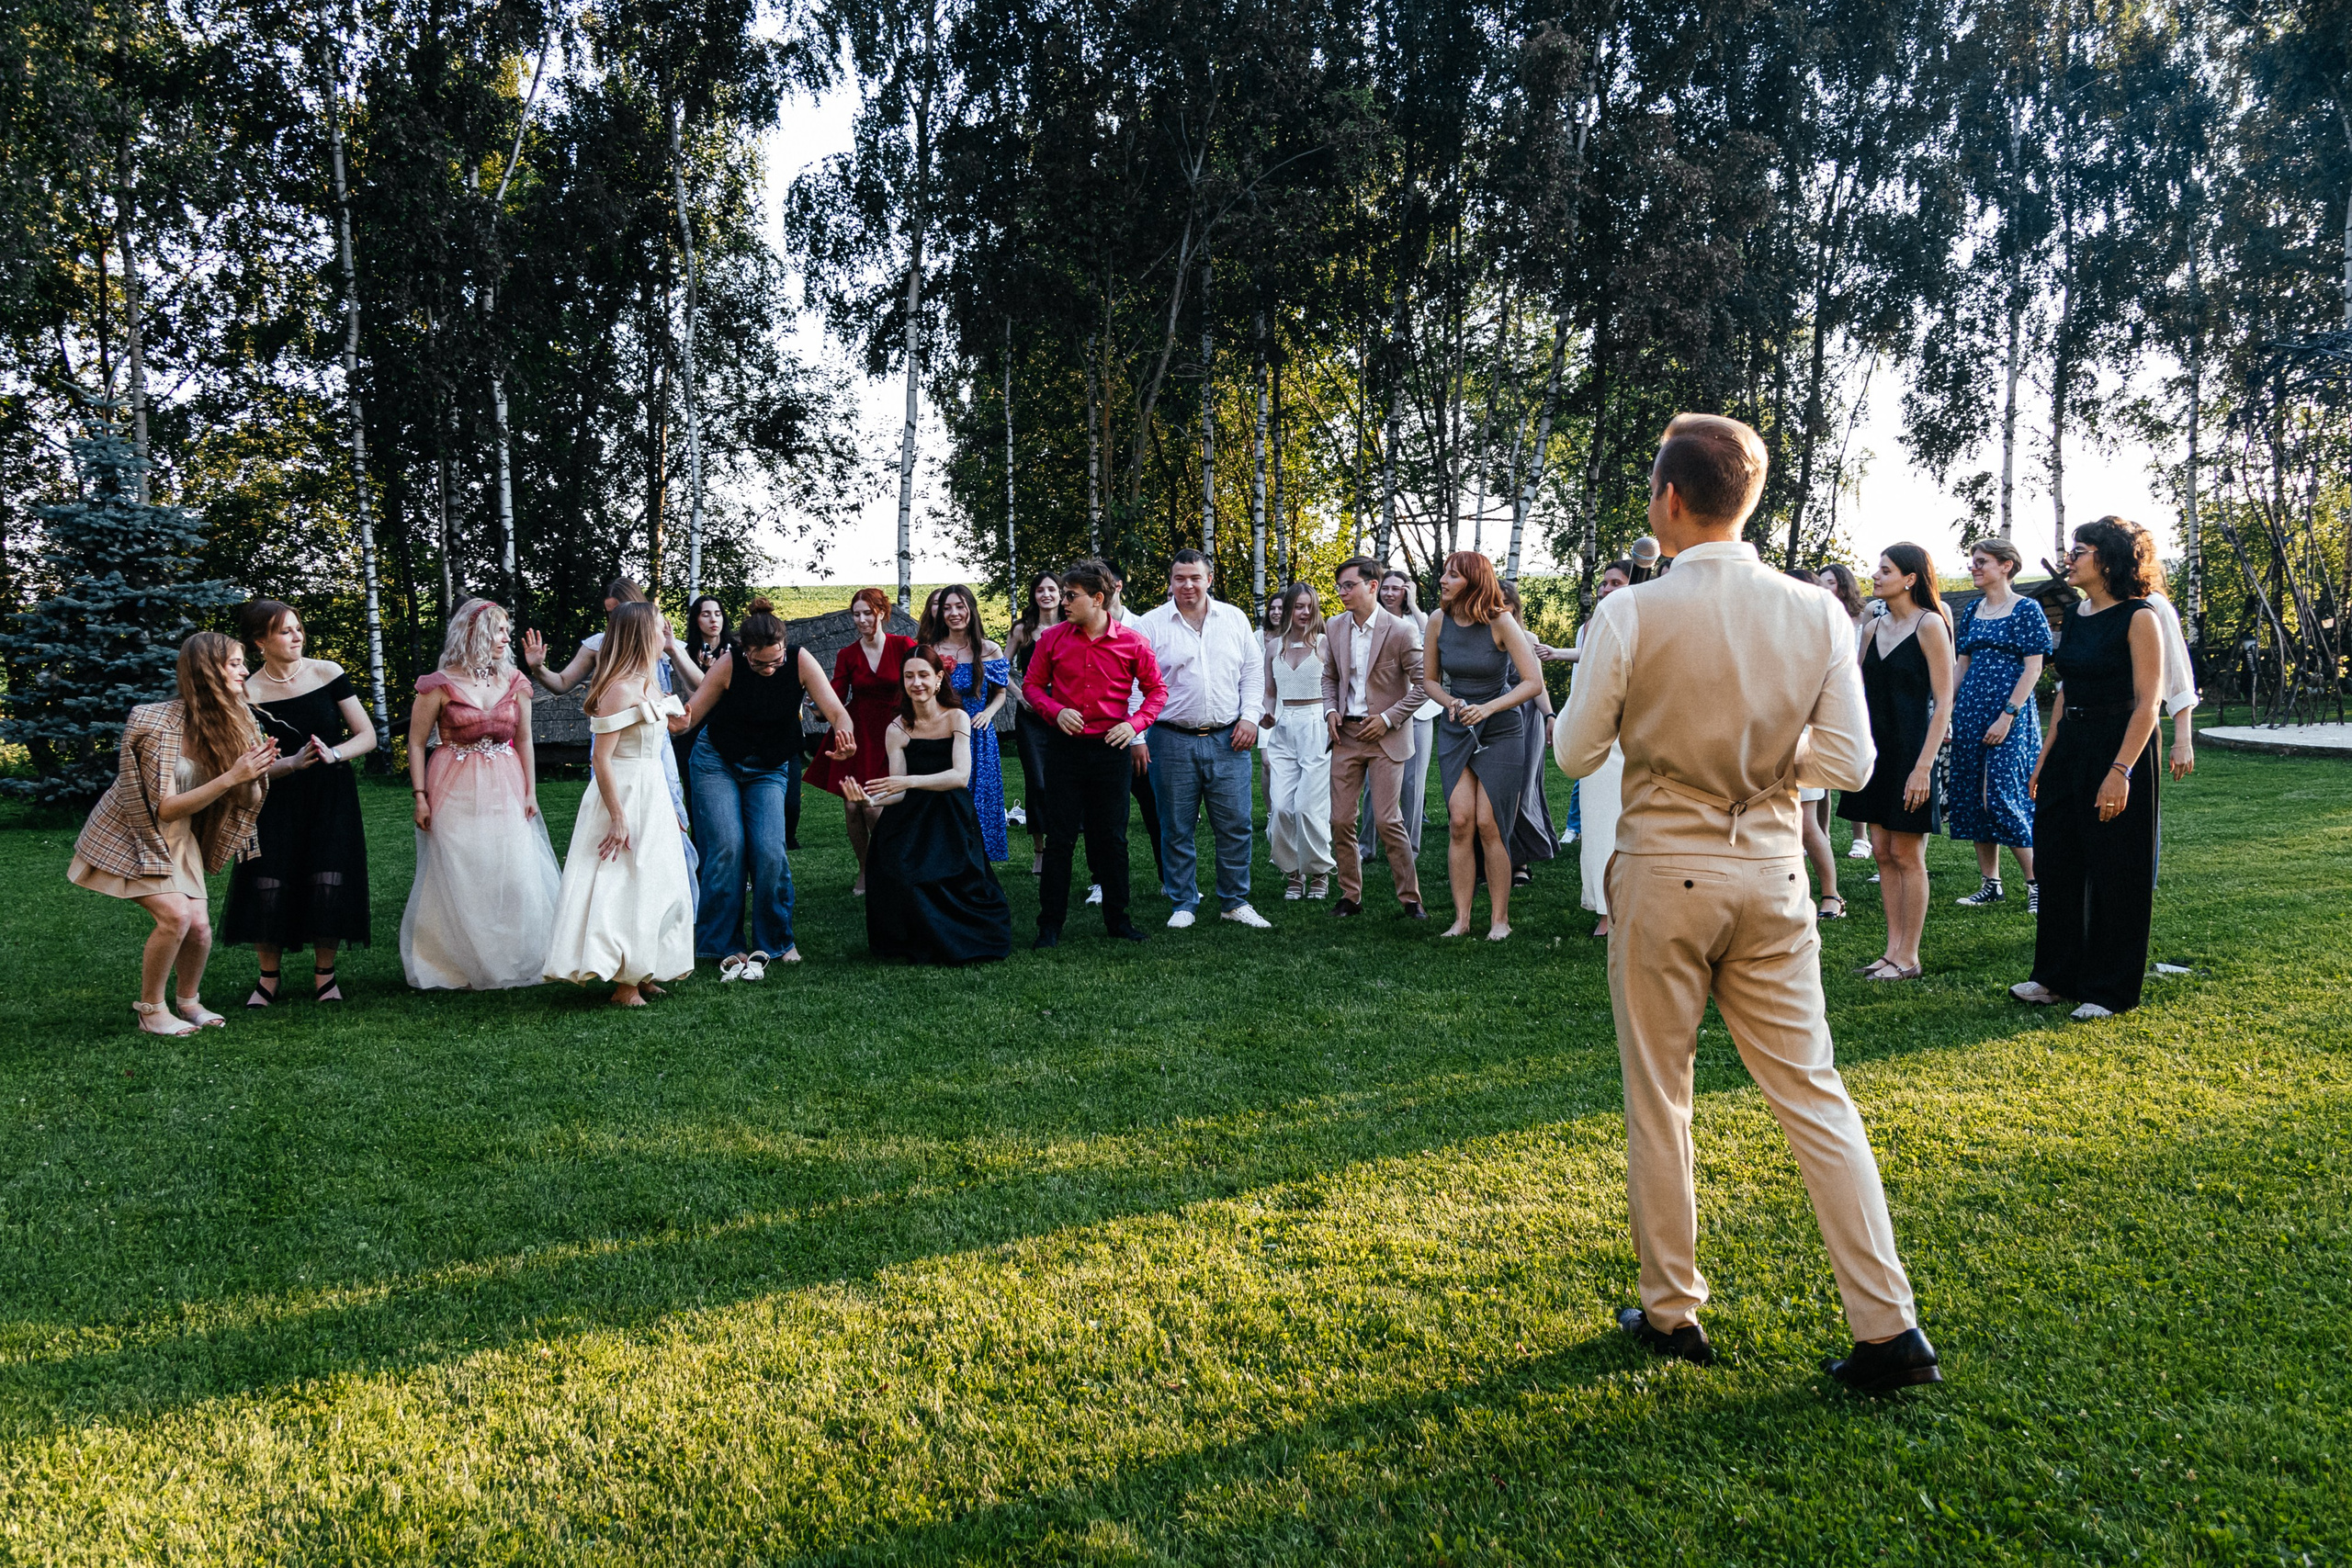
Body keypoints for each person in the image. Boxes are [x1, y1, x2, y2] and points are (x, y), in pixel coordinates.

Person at [1557, 412, 1934, 1394]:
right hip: (1772, 871)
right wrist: (1767, 765)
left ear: (1670, 499)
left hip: (1664, 869)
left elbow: (1574, 752)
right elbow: (1851, 761)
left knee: (1661, 1096)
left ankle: (1672, 1307)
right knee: (1814, 1093)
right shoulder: (1817, 612)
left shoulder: (1631, 612)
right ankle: (1888, 1325)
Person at [70, 632, 276, 1035]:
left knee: (199, 926)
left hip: (182, 838)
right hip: (134, 832)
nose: (245, 671)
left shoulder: (238, 721)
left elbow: (246, 799)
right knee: (175, 916)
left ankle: (189, 1002)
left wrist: (252, 775)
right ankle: (151, 1011)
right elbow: (163, 808)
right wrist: (231, 776)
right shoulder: (154, 722)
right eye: (235, 663)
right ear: (207, 669)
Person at [2012, 517, 2166, 1020]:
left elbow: (2148, 703)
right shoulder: (2076, 615)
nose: (2069, 559)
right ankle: (2054, 978)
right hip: (2070, 744)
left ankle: (2109, 990)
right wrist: (2045, 758)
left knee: (2115, 868)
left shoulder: (2139, 616)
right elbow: (2066, 692)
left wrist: (2120, 771)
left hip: (2119, 745)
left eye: (2079, 550)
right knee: (2057, 861)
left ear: (2109, 559)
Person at [668, 597, 857, 978]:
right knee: (728, 846)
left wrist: (845, 736)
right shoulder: (728, 663)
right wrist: (664, 717)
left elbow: (837, 712)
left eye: (776, 661)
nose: (770, 668)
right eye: (760, 663)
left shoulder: (800, 661)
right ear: (745, 651)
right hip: (716, 762)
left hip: (770, 766)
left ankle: (777, 941)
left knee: (770, 850)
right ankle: (721, 943)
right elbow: (690, 717)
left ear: (784, 647)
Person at [401, 599, 562, 991]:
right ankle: (458, 962)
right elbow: (416, 742)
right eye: (498, 630)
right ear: (473, 633)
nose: (506, 638)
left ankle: (513, 954)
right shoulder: (438, 684)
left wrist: (531, 792)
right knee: (462, 869)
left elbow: (524, 740)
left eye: (507, 630)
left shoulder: (515, 682)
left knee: (512, 868)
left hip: (506, 782)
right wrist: (420, 796)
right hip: (452, 784)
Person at [222, 599, 376, 1004]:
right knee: (267, 883)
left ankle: (325, 975)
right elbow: (246, 765)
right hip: (274, 798)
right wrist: (289, 764)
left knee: (328, 878)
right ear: (260, 641)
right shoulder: (247, 692)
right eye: (285, 631)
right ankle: (268, 978)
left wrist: (334, 754)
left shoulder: (328, 672)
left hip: (330, 794)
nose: (297, 637)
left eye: (298, 628)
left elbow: (367, 736)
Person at [545, 603, 695, 1005]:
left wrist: (678, 724)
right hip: (623, 790)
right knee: (624, 882)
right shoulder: (618, 689)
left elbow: (658, 732)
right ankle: (624, 983)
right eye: (659, 629)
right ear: (642, 635)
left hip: (653, 790)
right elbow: (601, 759)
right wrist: (617, 816)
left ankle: (644, 969)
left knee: (656, 879)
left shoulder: (651, 683)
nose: (666, 636)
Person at [521, 578, 700, 901]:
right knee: (620, 854)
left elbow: (682, 699)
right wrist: (539, 669)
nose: (613, 619)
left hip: (654, 766)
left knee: (666, 844)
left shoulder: (653, 674)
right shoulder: (616, 682)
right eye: (610, 613)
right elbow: (599, 750)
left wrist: (677, 724)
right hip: (622, 763)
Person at [1022, 558, 1167, 947]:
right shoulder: (1052, 639)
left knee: (1112, 838)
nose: (1063, 602)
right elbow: (1032, 686)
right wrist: (1055, 710)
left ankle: (1118, 921)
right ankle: (1049, 926)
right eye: (1064, 595)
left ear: (1098, 599)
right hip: (1065, 750)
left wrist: (1135, 725)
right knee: (1061, 839)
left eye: (1071, 596)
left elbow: (1157, 691)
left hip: (1111, 749)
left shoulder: (1133, 642)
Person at [847, 643, 1014, 964]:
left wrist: (909, 781)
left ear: (939, 679)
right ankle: (913, 941)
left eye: (923, 675)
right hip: (909, 817)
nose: (917, 683)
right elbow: (897, 792)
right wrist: (868, 799)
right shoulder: (897, 728)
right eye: (909, 676)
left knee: (945, 875)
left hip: (950, 814)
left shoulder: (957, 717)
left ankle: (958, 938)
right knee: (898, 872)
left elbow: (960, 776)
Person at [1135, 549, 1270, 930]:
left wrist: (1250, 717)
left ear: (1208, 579)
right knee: (1176, 825)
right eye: (1180, 578)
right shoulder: (1150, 625)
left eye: (1195, 578)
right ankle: (1183, 902)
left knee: (1236, 824)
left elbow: (1252, 673)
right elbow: (1134, 684)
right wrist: (1137, 736)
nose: (1188, 585)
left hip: (1230, 738)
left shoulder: (1234, 618)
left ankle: (1235, 901)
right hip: (1170, 738)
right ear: (1171, 582)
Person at [1838, 544, 1955, 980]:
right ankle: (1890, 951)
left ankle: (1910, 956)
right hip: (1876, 752)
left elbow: (1944, 702)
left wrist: (1924, 767)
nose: (1875, 575)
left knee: (1907, 853)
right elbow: (1855, 692)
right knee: (1883, 851)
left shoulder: (1930, 625)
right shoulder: (1872, 627)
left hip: (1912, 753)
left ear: (1910, 578)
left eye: (1885, 570)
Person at [1427, 551, 1545, 940]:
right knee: (1460, 821)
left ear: (1474, 582)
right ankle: (1461, 921)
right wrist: (1451, 702)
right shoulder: (1438, 620)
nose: (1443, 580)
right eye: (1445, 573)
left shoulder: (1501, 620)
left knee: (1488, 823)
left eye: (1453, 575)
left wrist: (1489, 707)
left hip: (1501, 730)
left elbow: (1532, 682)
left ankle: (1499, 920)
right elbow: (1429, 681)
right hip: (1458, 728)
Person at [1947, 539, 2052, 912]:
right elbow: (1962, 664)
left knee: (2002, 796)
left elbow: (2034, 668)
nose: (1974, 567)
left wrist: (2007, 715)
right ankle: (1990, 884)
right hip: (1970, 713)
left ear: (2006, 566)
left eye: (1982, 562)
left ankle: (2038, 884)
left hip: (2009, 715)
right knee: (1974, 796)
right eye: (1973, 562)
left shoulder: (2026, 609)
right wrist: (1945, 709)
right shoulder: (1973, 610)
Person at [806, 588, 918, 894]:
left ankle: (889, 866)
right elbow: (836, 696)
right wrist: (817, 709)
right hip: (858, 734)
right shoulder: (847, 654)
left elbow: (918, 682)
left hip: (894, 731)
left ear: (881, 612)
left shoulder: (903, 645)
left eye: (868, 613)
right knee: (852, 806)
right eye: (856, 614)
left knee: (873, 805)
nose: (862, 619)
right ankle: (866, 870)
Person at [919, 583, 1013, 862]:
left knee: (981, 801)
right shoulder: (932, 650)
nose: (954, 613)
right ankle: (946, 861)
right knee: (946, 800)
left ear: (971, 609)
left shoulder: (990, 649)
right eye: (947, 608)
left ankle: (980, 864)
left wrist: (988, 713)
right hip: (944, 735)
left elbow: (1000, 693)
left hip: (978, 734)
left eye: (960, 606)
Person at [1354, 567, 1441, 858]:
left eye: (1397, 588)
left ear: (1407, 591)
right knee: (1372, 783)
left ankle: (1410, 849)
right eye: (1386, 588)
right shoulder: (1371, 620)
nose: (1390, 593)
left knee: (1413, 783)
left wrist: (1413, 604)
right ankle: (1366, 846)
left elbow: (1433, 638)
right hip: (1380, 712)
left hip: (1419, 712)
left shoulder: (1418, 620)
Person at [1261, 581, 1335, 900]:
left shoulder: (1325, 645)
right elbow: (1269, 693)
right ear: (1289, 607)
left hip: (1317, 725)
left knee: (1307, 807)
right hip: (1283, 727)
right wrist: (1265, 714)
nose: (1305, 612)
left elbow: (1337, 687)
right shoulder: (1273, 647)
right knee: (1280, 807)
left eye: (1310, 606)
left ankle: (1319, 872)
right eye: (1299, 606)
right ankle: (1292, 872)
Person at [1573, 561, 1635, 936]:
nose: (1607, 589)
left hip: (1638, 737)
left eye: (1617, 582)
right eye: (1604, 583)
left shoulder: (1647, 624)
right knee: (1598, 827)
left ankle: (1639, 907)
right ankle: (1604, 910)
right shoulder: (1588, 628)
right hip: (1600, 738)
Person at [1103, 561, 1168, 889]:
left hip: (1140, 735)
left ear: (1117, 586)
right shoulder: (1081, 630)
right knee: (1105, 816)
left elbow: (1146, 687)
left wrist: (1137, 736)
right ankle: (1103, 882)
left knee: (1156, 811)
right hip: (1101, 737)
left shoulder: (1142, 627)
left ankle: (1169, 879)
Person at [1498, 580, 1559, 886]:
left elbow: (1538, 684)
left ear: (1515, 607)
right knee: (1495, 793)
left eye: (1505, 602)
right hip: (1492, 717)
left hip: (1526, 717)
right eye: (1494, 601)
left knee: (1522, 789)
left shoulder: (1526, 638)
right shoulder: (1480, 636)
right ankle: (1492, 861)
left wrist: (1549, 715)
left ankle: (1520, 861)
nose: (1499, 608)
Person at [1006, 570, 1063, 876]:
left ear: (1061, 594)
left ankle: (1060, 846)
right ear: (1034, 595)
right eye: (1040, 590)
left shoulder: (1071, 626)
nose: (1046, 595)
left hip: (1063, 713)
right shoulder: (1023, 630)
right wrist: (1020, 695)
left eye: (1052, 589)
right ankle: (1039, 851)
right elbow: (999, 668)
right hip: (1031, 714)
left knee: (1062, 781)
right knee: (1037, 782)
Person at [1818, 563, 1876, 863]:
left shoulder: (1863, 618)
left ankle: (1861, 838)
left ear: (1843, 584)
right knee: (1819, 772)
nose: (1824, 588)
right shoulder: (1819, 617)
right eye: (1821, 583)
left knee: (1854, 767)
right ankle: (1821, 836)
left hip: (1858, 700)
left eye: (1830, 582)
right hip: (1825, 697)